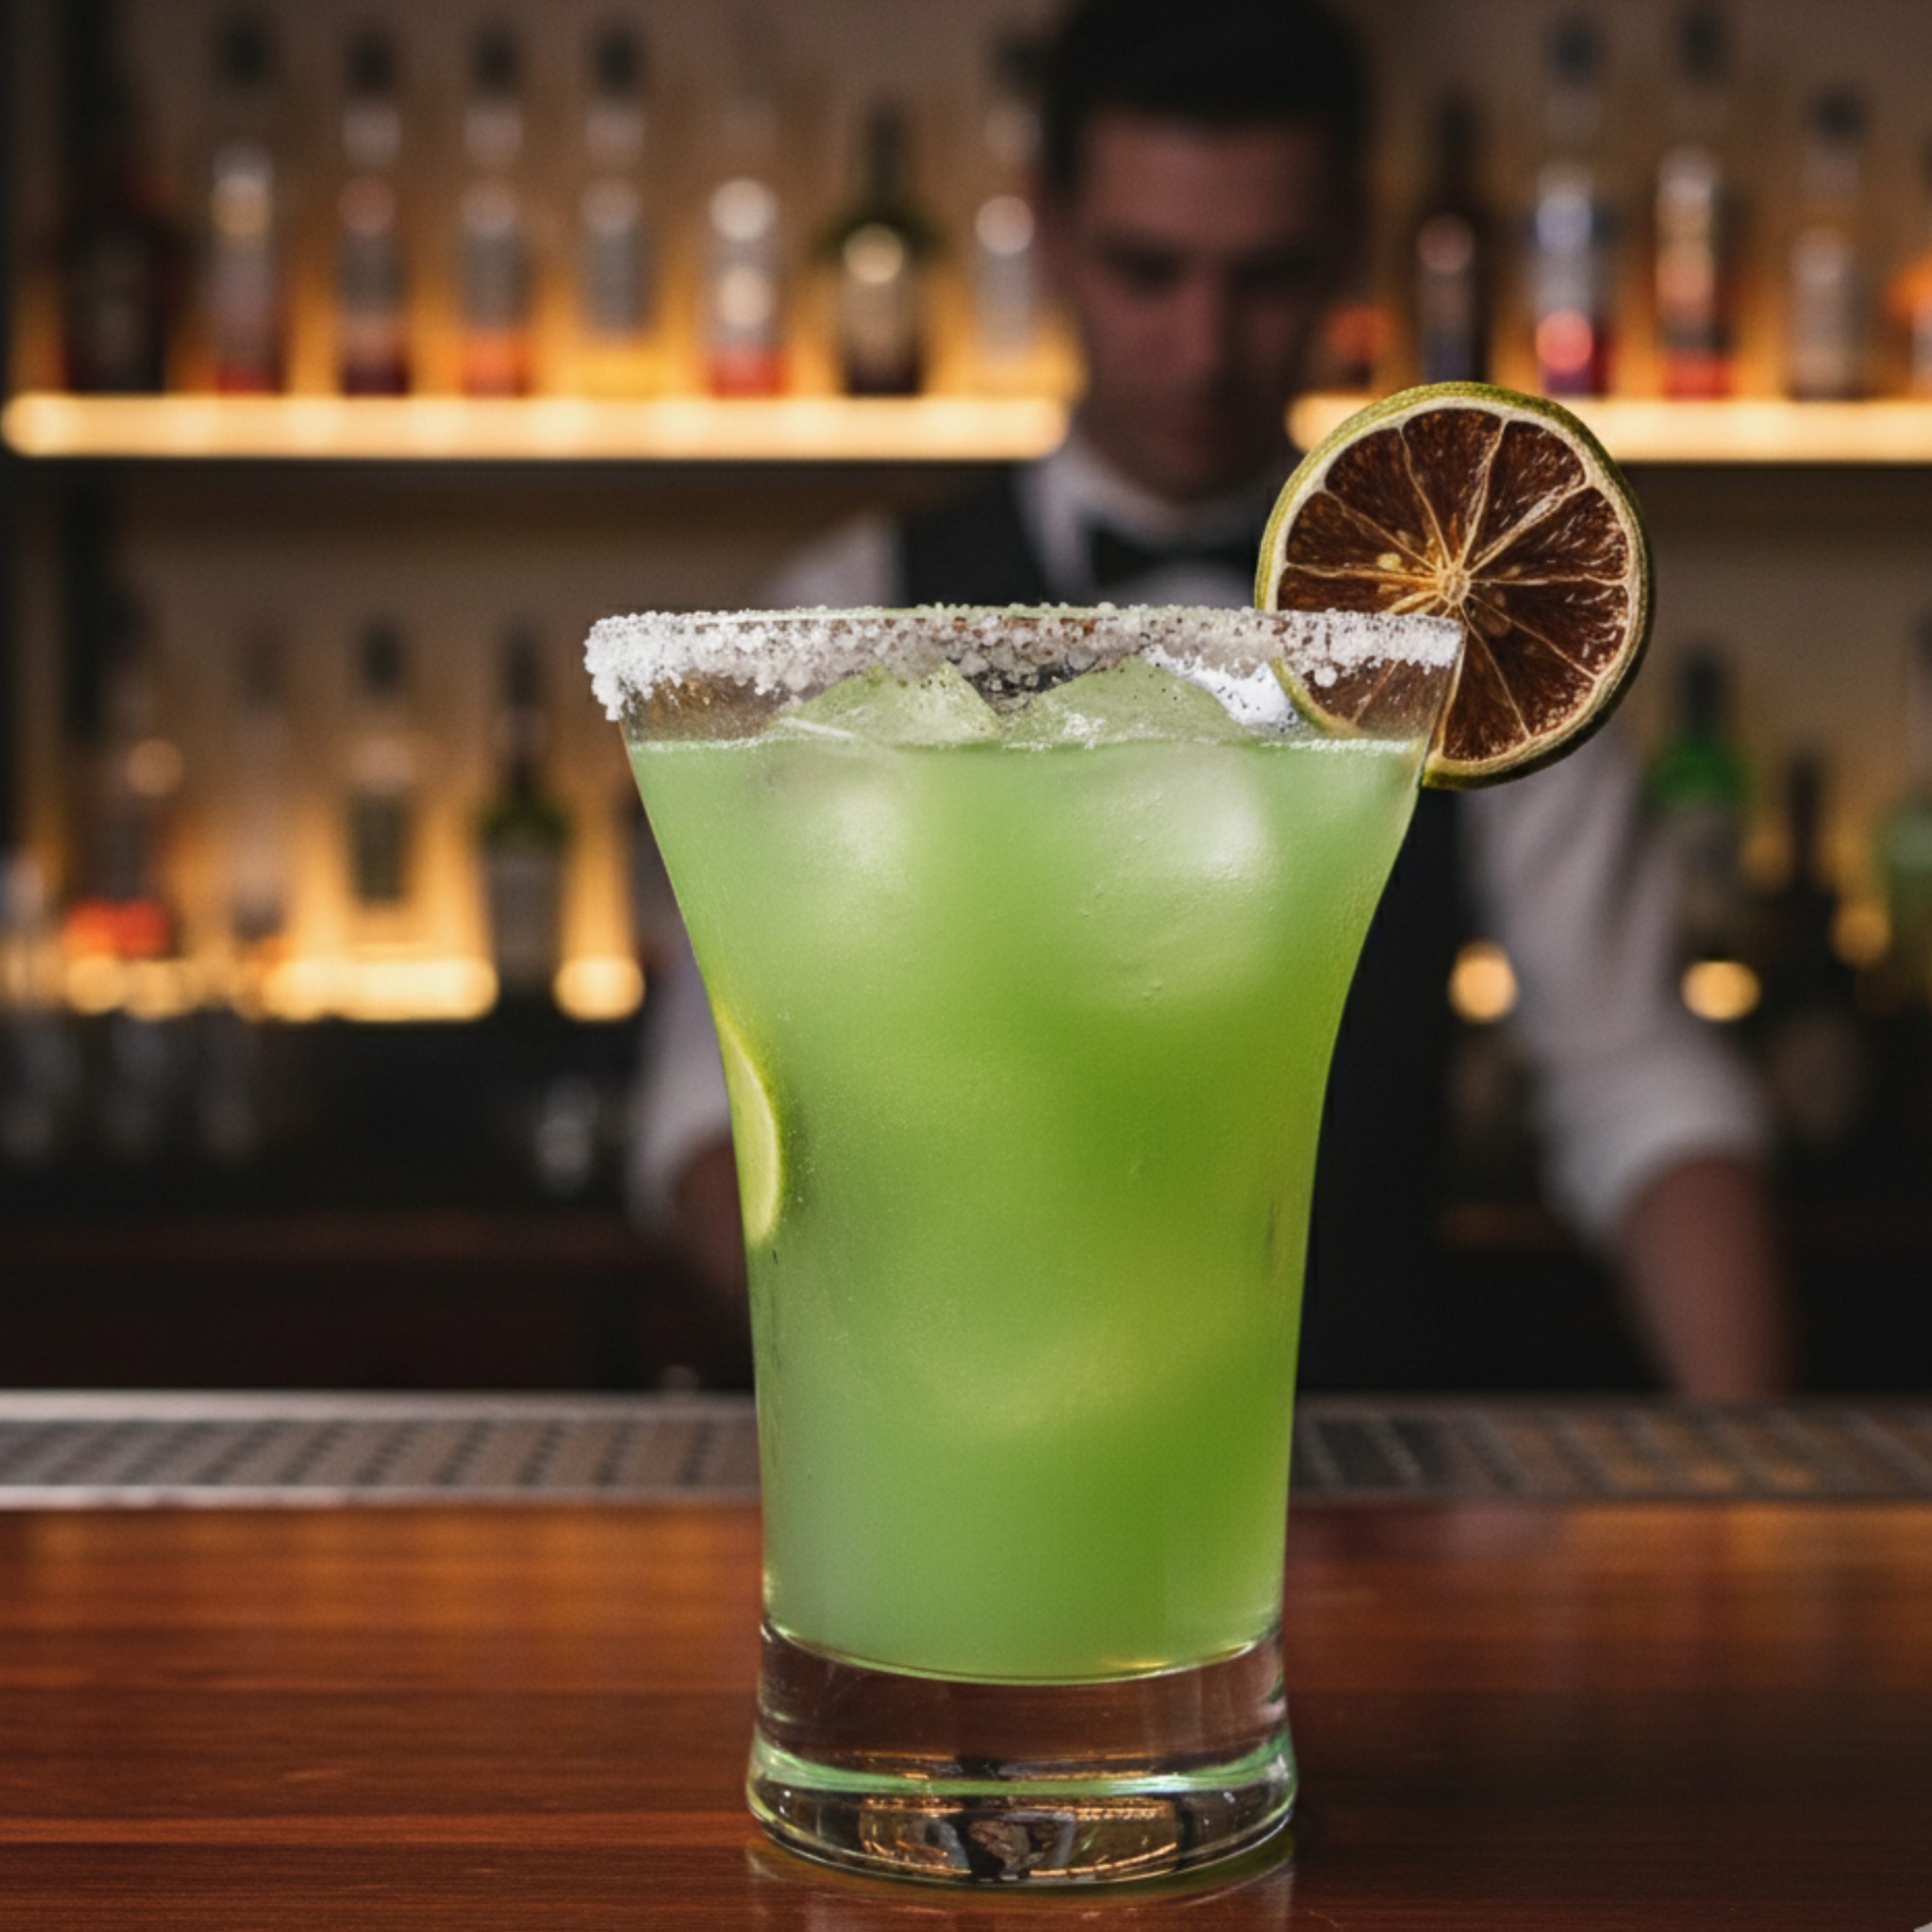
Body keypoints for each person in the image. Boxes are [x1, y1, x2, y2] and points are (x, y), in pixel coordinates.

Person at [631, 0, 1794, 1399]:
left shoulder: (1455, 634)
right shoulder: (848, 609)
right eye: (1149, 270)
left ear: (1350, 249)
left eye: (1266, 278)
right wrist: (906, 1386)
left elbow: (1639, 1086)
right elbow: (713, 1109)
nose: (1205, 346)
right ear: (1047, 234)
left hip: (1357, 1447)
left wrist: (1750, 1465)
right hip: (964, 1438)